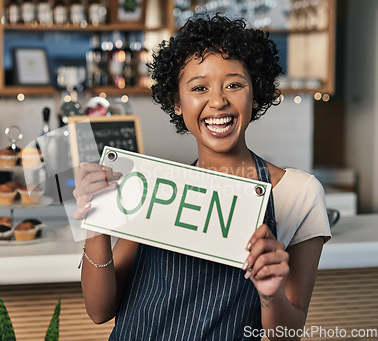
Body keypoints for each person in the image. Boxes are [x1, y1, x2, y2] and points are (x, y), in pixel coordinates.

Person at [73, 14, 331, 341]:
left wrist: (270, 294)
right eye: (199, 88)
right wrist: (95, 228)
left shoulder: (298, 194)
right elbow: (100, 311)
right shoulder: (154, 186)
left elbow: (287, 332)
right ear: (177, 103)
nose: (218, 101)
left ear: (255, 94)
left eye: (234, 84)